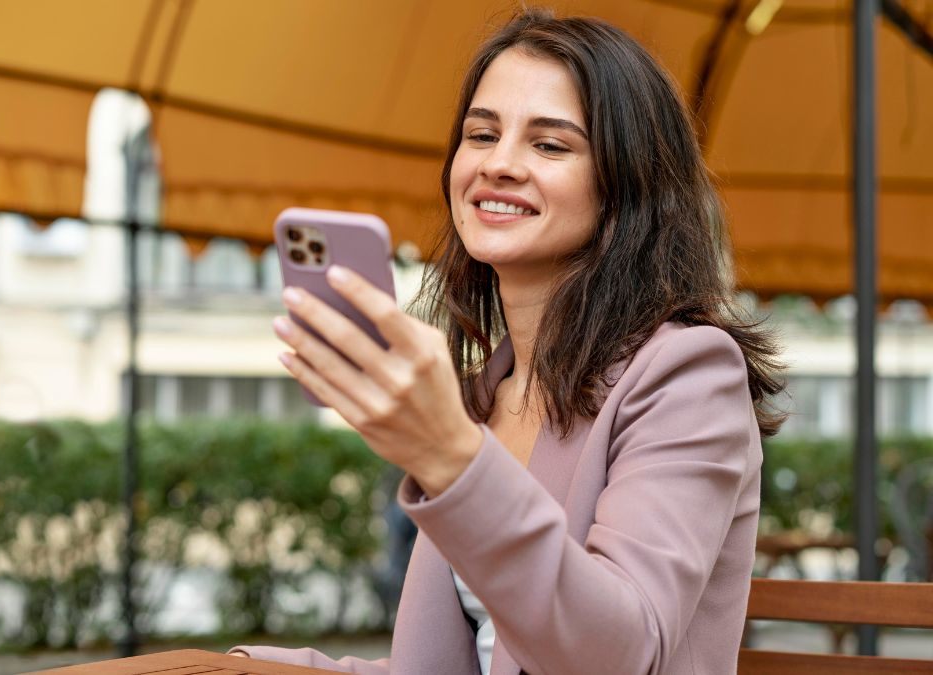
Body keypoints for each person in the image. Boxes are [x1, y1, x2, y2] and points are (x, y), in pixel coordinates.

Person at [234, 7, 784, 674]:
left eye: (549, 145)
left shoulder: (689, 374)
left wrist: (454, 458)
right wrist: (250, 665)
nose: (499, 164)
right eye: (481, 134)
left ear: (625, 187)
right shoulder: (483, 394)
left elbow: (620, 651)